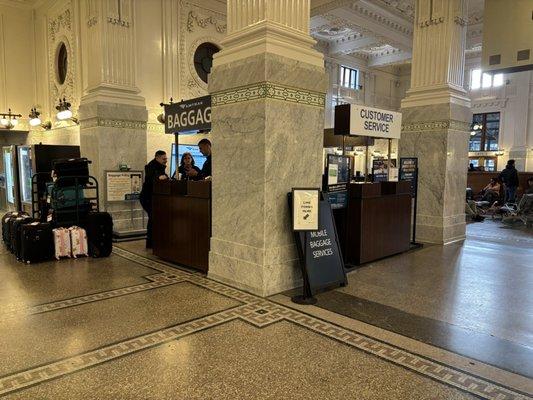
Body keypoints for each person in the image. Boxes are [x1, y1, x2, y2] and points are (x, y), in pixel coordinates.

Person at [140, 150, 168, 249]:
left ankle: (152, 242)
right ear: (157, 158)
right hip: (147, 198)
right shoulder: (151, 166)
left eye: (166, 158)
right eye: (164, 159)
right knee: (153, 218)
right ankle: (151, 243)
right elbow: (153, 177)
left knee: (153, 218)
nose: (166, 161)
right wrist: (160, 177)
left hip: (152, 197)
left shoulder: (159, 166)